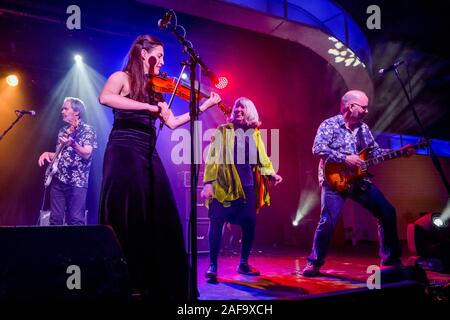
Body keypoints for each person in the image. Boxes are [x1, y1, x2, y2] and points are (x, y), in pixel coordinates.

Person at [98, 34, 221, 301]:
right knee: (128, 212)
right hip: (123, 150)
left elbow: (173, 122)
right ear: (144, 53)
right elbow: (105, 98)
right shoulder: (121, 78)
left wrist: (204, 105)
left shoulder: (156, 89)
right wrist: (148, 108)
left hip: (147, 151)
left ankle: (156, 281)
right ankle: (127, 278)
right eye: (160, 55)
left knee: (160, 212)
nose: (163, 61)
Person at [302, 90, 415, 277]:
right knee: (327, 222)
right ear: (350, 106)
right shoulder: (330, 124)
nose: (366, 111)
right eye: (363, 107)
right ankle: (314, 262)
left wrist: (399, 152)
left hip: (359, 180)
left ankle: (391, 262)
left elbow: (374, 153)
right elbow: (318, 148)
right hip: (334, 182)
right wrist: (345, 158)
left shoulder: (363, 129)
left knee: (387, 211)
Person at [201, 97, 282, 279]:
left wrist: (271, 174)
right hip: (224, 186)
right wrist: (208, 183)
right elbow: (212, 158)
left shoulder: (254, 133)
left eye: (242, 107)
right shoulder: (223, 131)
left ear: (250, 111)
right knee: (217, 222)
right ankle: (213, 266)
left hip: (247, 187)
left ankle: (243, 263)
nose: (238, 109)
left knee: (249, 224)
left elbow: (262, 157)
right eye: (236, 107)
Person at [38, 97, 97, 225]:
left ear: (77, 112)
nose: (62, 111)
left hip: (77, 182)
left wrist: (73, 144)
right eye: (62, 109)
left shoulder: (87, 130)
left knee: (76, 220)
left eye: (65, 108)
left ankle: (76, 245)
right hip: (58, 180)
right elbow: (62, 155)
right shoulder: (63, 131)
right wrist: (48, 153)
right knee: (55, 220)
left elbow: (87, 153)